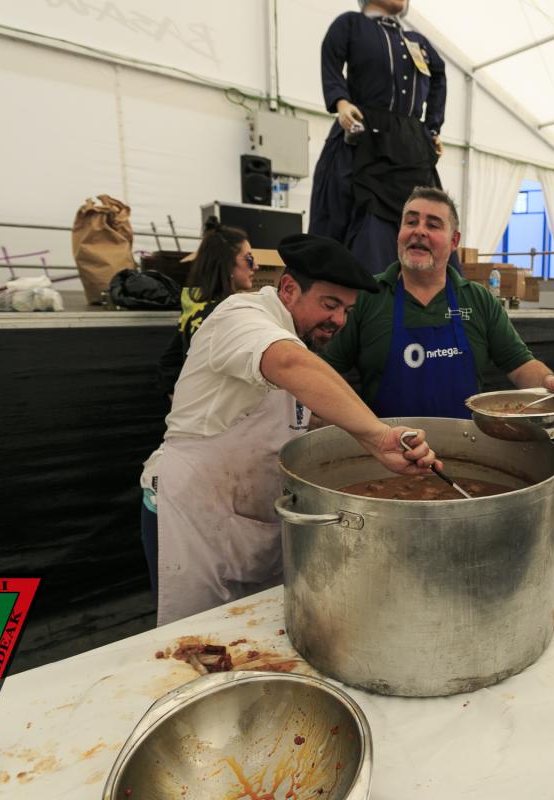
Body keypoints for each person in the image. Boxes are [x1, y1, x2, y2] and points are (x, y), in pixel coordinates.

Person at [141, 233, 441, 625]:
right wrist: (378, 435)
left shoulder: (295, 335)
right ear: (288, 289)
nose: (339, 320)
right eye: (329, 304)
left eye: (347, 311)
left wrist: (374, 440)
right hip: (191, 514)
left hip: (247, 520)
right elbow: (288, 364)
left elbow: (303, 411)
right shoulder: (240, 316)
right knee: (194, 642)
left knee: (256, 635)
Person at [322, 186, 554, 417]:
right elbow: (327, 372)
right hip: (386, 448)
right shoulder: (366, 295)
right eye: (411, 222)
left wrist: (548, 381)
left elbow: (521, 365)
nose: (419, 231)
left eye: (433, 225)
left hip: (466, 445)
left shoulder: (478, 300)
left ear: (454, 241)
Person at [309, 0, 453, 276]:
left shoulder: (417, 41)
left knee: (424, 216)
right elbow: (331, 60)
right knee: (359, 219)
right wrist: (341, 101)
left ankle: (426, 291)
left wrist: (432, 128)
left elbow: (439, 75)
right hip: (366, 137)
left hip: (411, 146)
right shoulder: (351, 23)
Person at [155, 218, 256, 399]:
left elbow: (169, 362)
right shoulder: (224, 314)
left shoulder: (196, 306)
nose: (256, 266)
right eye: (249, 259)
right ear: (227, 263)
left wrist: (182, 404)